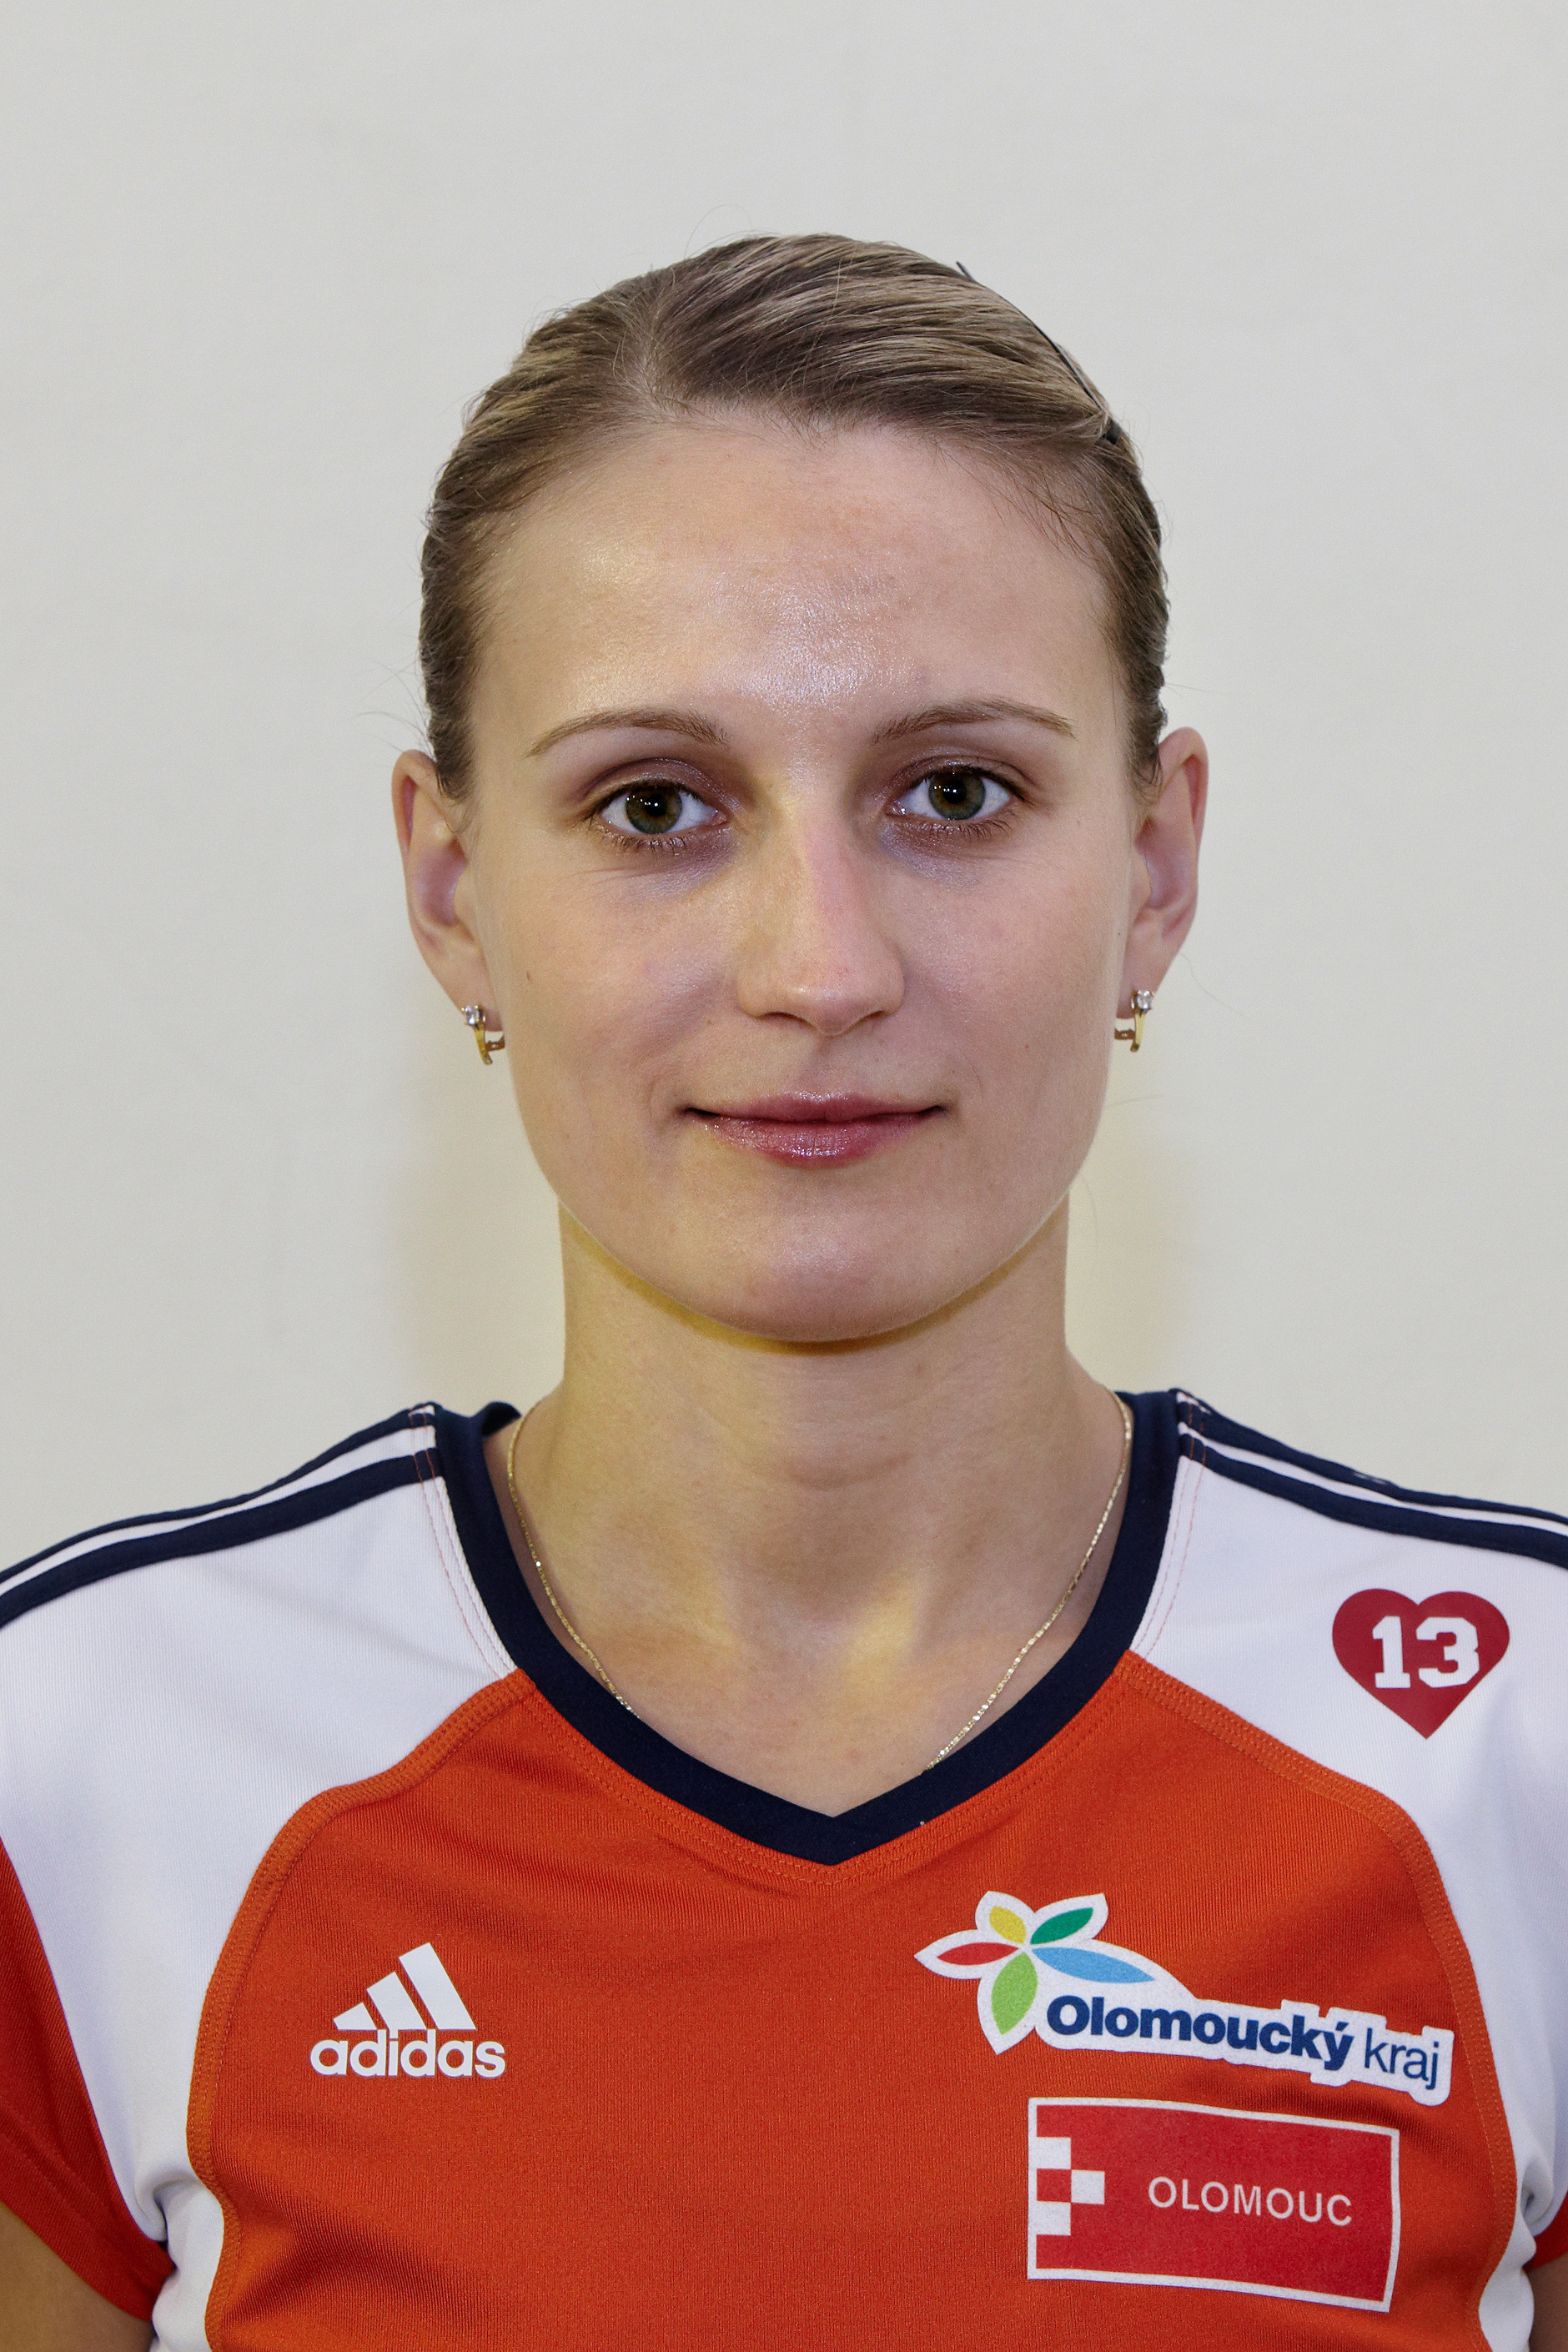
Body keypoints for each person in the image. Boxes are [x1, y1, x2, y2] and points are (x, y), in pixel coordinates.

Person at [1, 236, 1563, 2352]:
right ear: (454, 891)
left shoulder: (1521, 1744)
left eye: (955, 794)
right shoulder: (82, 1755)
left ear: (1155, 868)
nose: (819, 967)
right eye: (654, 806)